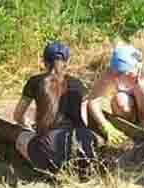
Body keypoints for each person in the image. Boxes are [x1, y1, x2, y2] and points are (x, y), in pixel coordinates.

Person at [9, 41, 98, 174]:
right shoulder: (79, 84)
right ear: (67, 62)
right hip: (83, 147)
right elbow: (83, 121)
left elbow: (17, 115)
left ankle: (42, 168)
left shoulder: (35, 82)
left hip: (49, 148)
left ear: (44, 61)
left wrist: (26, 125)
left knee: (21, 138)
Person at [84, 44, 144, 147]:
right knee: (119, 100)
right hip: (131, 110)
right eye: (125, 73)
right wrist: (105, 125)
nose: (131, 75)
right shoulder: (111, 72)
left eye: (130, 72)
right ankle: (131, 131)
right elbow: (92, 100)